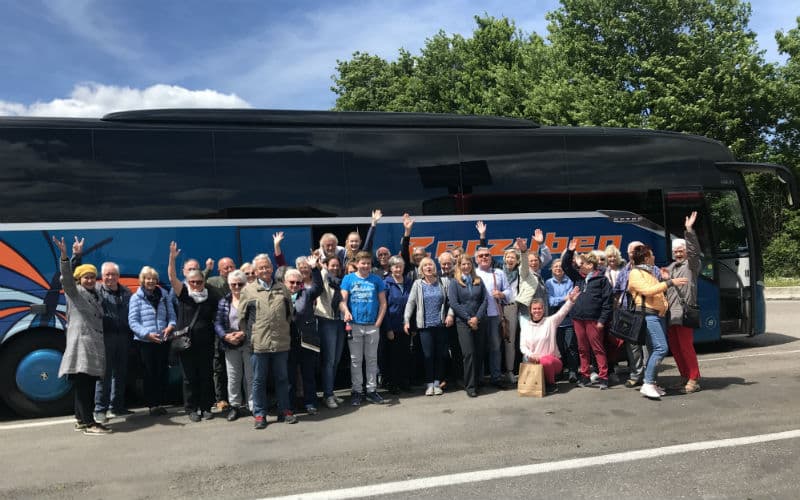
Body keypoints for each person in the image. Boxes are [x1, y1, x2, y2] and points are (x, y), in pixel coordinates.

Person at [53, 236, 110, 435]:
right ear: (79, 279)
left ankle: (80, 420)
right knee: (85, 387)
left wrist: (78, 257)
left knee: (84, 385)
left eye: (92, 277)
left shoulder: (96, 293)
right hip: (82, 345)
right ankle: (89, 423)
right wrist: (67, 257)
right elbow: (67, 278)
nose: (90, 280)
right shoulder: (75, 292)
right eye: (86, 277)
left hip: (91, 346)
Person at [240, 253, 295, 429]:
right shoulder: (248, 291)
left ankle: (284, 411)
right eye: (261, 268)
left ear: (272, 268)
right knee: (258, 380)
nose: (265, 270)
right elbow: (242, 319)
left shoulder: (282, 288)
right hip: (259, 344)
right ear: (255, 271)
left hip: (280, 342)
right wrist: (252, 336)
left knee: (282, 378)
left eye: (267, 267)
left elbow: (289, 314)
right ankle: (260, 414)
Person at [628, 244, 689, 400]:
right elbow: (647, 291)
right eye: (652, 254)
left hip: (657, 315)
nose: (654, 257)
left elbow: (657, 291)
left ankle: (652, 383)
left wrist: (665, 280)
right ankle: (648, 383)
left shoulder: (649, 272)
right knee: (661, 348)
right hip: (648, 315)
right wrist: (670, 282)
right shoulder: (635, 273)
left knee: (653, 349)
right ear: (646, 258)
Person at [168, 241, 218, 422]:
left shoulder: (210, 296)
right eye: (192, 282)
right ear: (187, 282)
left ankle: (206, 407)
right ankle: (191, 408)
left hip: (206, 343)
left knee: (206, 376)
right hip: (186, 344)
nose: (196, 284)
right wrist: (172, 258)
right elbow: (172, 277)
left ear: (204, 281)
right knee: (189, 378)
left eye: (199, 282)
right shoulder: (183, 294)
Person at [561, 240, 613, 389]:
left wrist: (602, 320)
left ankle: (603, 377)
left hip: (594, 319)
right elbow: (565, 266)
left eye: (582, 264)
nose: (579, 266)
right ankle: (584, 375)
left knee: (597, 348)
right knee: (582, 349)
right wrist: (570, 251)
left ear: (590, 265)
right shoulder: (578, 278)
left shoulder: (602, 280)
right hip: (578, 318)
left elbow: (607, 303)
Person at [339, 250, 388, 406]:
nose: (366, 266)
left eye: (368, 263)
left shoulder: (376, 280)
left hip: (372, 325)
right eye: (363, 263)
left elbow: (383, 303)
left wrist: (378, 322)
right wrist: (346, 312)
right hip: (354, 325)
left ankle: (371, 390)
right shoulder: (348, 279)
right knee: (356, 360)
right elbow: (342, 301)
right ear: (357, 264)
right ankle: (357, 391)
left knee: (372, 359)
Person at [129, 265, 175, 416]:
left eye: (154, 279)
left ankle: (160, 402)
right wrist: (147, 334)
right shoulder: (136, 298)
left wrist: (170, 326)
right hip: (145, 343)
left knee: (162, 373)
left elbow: (172, 315)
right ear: (142, 280)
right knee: (149, 374)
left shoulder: (164, 295)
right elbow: (133, 322)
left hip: (162, 341)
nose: (151, 281)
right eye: (148, 279)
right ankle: (152, 404)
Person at [664, 211, 702, 393]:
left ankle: (694, 379)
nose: (678, 254)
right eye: (676, 251)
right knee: (676, 348)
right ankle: (684, 376)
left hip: (685, 312)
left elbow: (694, 251)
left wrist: (689, 230)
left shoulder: (691, 265)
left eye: (681, 251)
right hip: (670, 313)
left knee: (686, 347)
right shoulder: (670, 267)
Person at [404, 257, 454, 396]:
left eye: (430, 265)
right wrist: (406, 320)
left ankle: (437, 383)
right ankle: (429, 383)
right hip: (424, 326)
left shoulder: (443, 282)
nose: (428, 267)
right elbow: (410, 303)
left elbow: (451, 301)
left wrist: (450, 315)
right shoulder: (417, 284)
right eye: (425, 265)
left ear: (434, 267)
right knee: (428, 355)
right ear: (421, 269)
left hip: (441, 325)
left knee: (440, 355)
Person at [92, 262, 133, 422]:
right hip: (105, 337)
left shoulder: (126, 292)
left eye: (113, 274)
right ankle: (100, 410)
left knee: (120, 373)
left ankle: (116, 407)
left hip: (123, 337)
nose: (110, 277)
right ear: (102, 276)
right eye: (107, 274)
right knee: (104, 375)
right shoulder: (96, 291)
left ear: (118, 276)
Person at [520, 287, 581, 394]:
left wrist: (570, 301)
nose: (537, 311)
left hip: (553, 363)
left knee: (546, 360)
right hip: (534, 362)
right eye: (534, 309)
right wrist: (531, 355)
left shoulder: (550, 321)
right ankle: (541, 381)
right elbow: (523, 346)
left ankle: (551, 384)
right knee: (528, 359)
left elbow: (562, 312)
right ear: (530, 310)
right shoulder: (526, 326)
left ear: (543, 310)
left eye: (539, 308)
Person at [285, 257, 323, 415]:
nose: (294, 285)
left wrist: (314, 268)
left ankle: (310, 403)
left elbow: (318, 287)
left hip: (307, 340)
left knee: (308, 374)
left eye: (298, 283)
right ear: (285, 283)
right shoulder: (280, 296)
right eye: (291, 282)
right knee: (290, 376)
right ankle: (290, 405)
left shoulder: (306, 294)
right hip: (288, 342)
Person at [448, 253, 488, 397]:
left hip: (479, 321)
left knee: (479, 352)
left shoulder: (478, 280)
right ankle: (470, 386)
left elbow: (485, 300)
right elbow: (454, 303)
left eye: (468, 264)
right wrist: (469, 319)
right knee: (469, 354)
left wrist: (477, 318)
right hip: (463, 323)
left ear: (472, 265)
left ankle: (477, 382)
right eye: (463, 264)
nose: (466, 266)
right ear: (459, 266)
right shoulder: (455, 283)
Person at [214, 269, 252, 421]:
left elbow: (256, 321)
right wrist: (225, 336)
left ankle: (252, 405)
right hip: (230, 343)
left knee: (250, 376)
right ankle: (235, 406)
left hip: (248, 342)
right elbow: (217, 322)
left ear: (245, 284)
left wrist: (244, 333)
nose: (236, 287)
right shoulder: (224, 301)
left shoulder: (251, 300)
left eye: (240, 284)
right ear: (229, 285)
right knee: (233, 377)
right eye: (233, 284)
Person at [474, 246, 512, 388]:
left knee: (495, 348)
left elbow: (509, 291)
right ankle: (479, 379)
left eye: (487, 255)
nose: (484, 257)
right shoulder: (472, 273)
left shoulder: (499, 273)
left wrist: (502, 294)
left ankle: (496, 378)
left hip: (495, 315)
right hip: (478, 317)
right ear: (476, 259)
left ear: (491, 258)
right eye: (481, 256)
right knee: (479, 349)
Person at [315, 255, 346, 409]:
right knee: (328, 361)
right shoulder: (324, 277)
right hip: (326, 321)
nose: (335, 268)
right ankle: (327, 395)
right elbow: (320, 276)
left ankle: (331, 392)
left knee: (336, 360)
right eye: (332, 265)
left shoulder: (339, 281)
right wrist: (320, 267)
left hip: (339, 321)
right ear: (326, 265)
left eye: (337, 265)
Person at [205, 256, 234, 412]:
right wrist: (207, 270)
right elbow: (198, 281)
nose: (229, 270)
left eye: (231, 266)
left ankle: (237, 398)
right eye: (225, 268)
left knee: (237, 366)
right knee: (219, 366)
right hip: (220, 331)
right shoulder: (213, 282)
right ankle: (221, 399)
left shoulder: (239, 280)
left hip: (236, 330)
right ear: (219, 270)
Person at [383, 256, 414, 394]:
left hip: (406, 325)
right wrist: (388, 328)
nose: (398, 269)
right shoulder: (386, 283)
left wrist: (413, 325)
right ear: (391, 268)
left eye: (400, 266)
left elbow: (413, 304)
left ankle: (404, 382)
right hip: (392, 325)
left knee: (405, 355)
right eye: (395, 266)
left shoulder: (409, 282)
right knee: (393, 356)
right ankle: (393, 383)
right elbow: (383, 307)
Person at [547, 259, 577, 382]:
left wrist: (562, 299)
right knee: (558, 348)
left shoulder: (570, 282)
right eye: (555, 266)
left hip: (568, 320)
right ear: (552, 269)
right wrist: (563, 299)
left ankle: (573, 371)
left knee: (570, 346)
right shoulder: (548, 283)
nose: (558, 268)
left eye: (560, 266)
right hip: (555, 322)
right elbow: (550, 301)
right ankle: (559, 371)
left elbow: (571, 299)